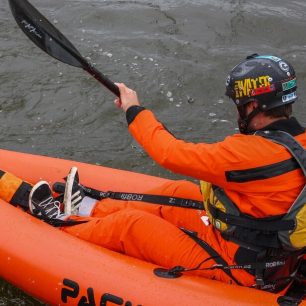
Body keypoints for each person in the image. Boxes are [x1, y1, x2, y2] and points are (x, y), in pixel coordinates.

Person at [30, 54, 306, 293]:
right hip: (260, 248)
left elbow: (169, 153)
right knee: (178, 193)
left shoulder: (250, 153)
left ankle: (60, 222)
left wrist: (133, 110)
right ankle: (91, 208)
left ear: (253, 106)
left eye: (239, 104)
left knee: (132, 226)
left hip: (243, 269)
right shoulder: (297, 141)